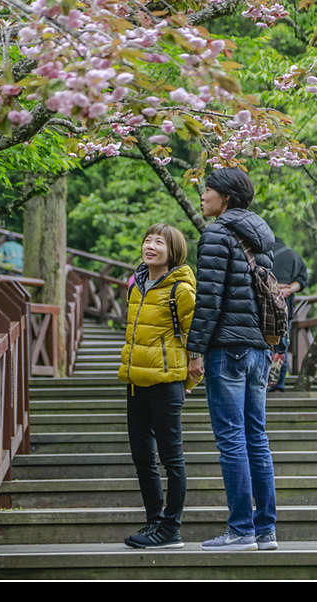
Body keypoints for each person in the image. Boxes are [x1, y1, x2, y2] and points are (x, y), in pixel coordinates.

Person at [186, 168, 279, 552]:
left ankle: (241, 529)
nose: (203, 196)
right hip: (259, 349)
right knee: (256, 438)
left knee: (231, 439)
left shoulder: (216, 234)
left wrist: (195, 350)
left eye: (208, 190)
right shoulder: (261, 237)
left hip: (227, 348)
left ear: (225, 198)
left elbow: (208, 300)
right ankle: (265, 530)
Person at [119, 223, 197, 549]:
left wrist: (191, 380)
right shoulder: (137, 284)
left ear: (173, 251)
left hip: (167, 382)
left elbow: (197, 337)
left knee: (171, 458)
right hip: (136, 381)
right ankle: (154, 523)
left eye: (159, 242)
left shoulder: (180, 288)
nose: (150, 246)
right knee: (142, 457)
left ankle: (171, 529)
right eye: (147, 240)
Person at [268, 236, 308, 392]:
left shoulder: (262, 255)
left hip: (262, 306)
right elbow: (302, 280)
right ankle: (277, 386)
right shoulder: (293, 255)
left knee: (262, 347)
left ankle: (261, 384)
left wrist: (274, 287)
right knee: (281, 347)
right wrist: (289, 289)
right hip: (285, 308)